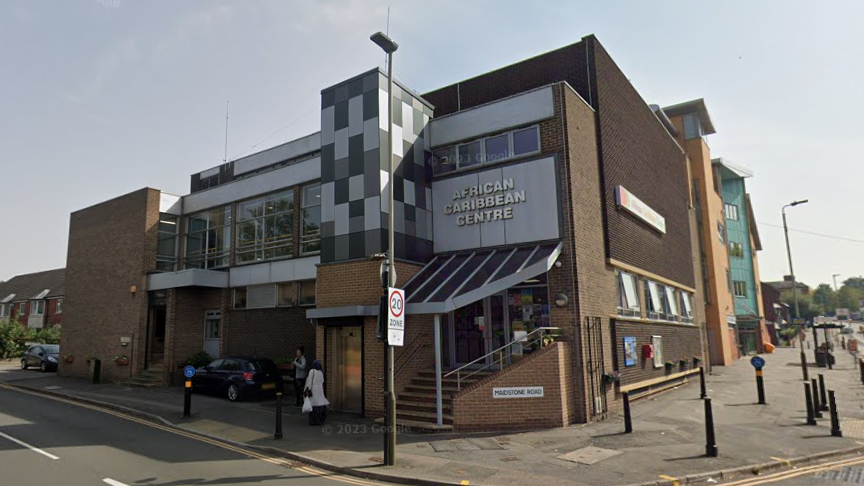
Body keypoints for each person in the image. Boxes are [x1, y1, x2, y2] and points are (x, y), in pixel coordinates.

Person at [304, 360, 329, 425]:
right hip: (320, 390)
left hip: (313, 390)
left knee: (313, 406)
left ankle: (313, 421)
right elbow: (322, 382)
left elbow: (309, 381)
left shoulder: (312, 371)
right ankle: (319, 420)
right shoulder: (321, 372)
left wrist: (307, 389)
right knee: (318, 406)